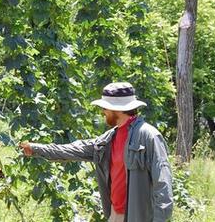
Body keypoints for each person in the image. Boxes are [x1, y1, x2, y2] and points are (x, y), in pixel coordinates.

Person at [20, 82, 173, 222]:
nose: (102, 112)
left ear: (117, 109)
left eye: (105, 107)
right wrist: (36, 148)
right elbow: (74, 149)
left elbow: (163, 185)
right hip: (115, 215)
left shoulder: (149, 136)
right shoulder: (109, 138)